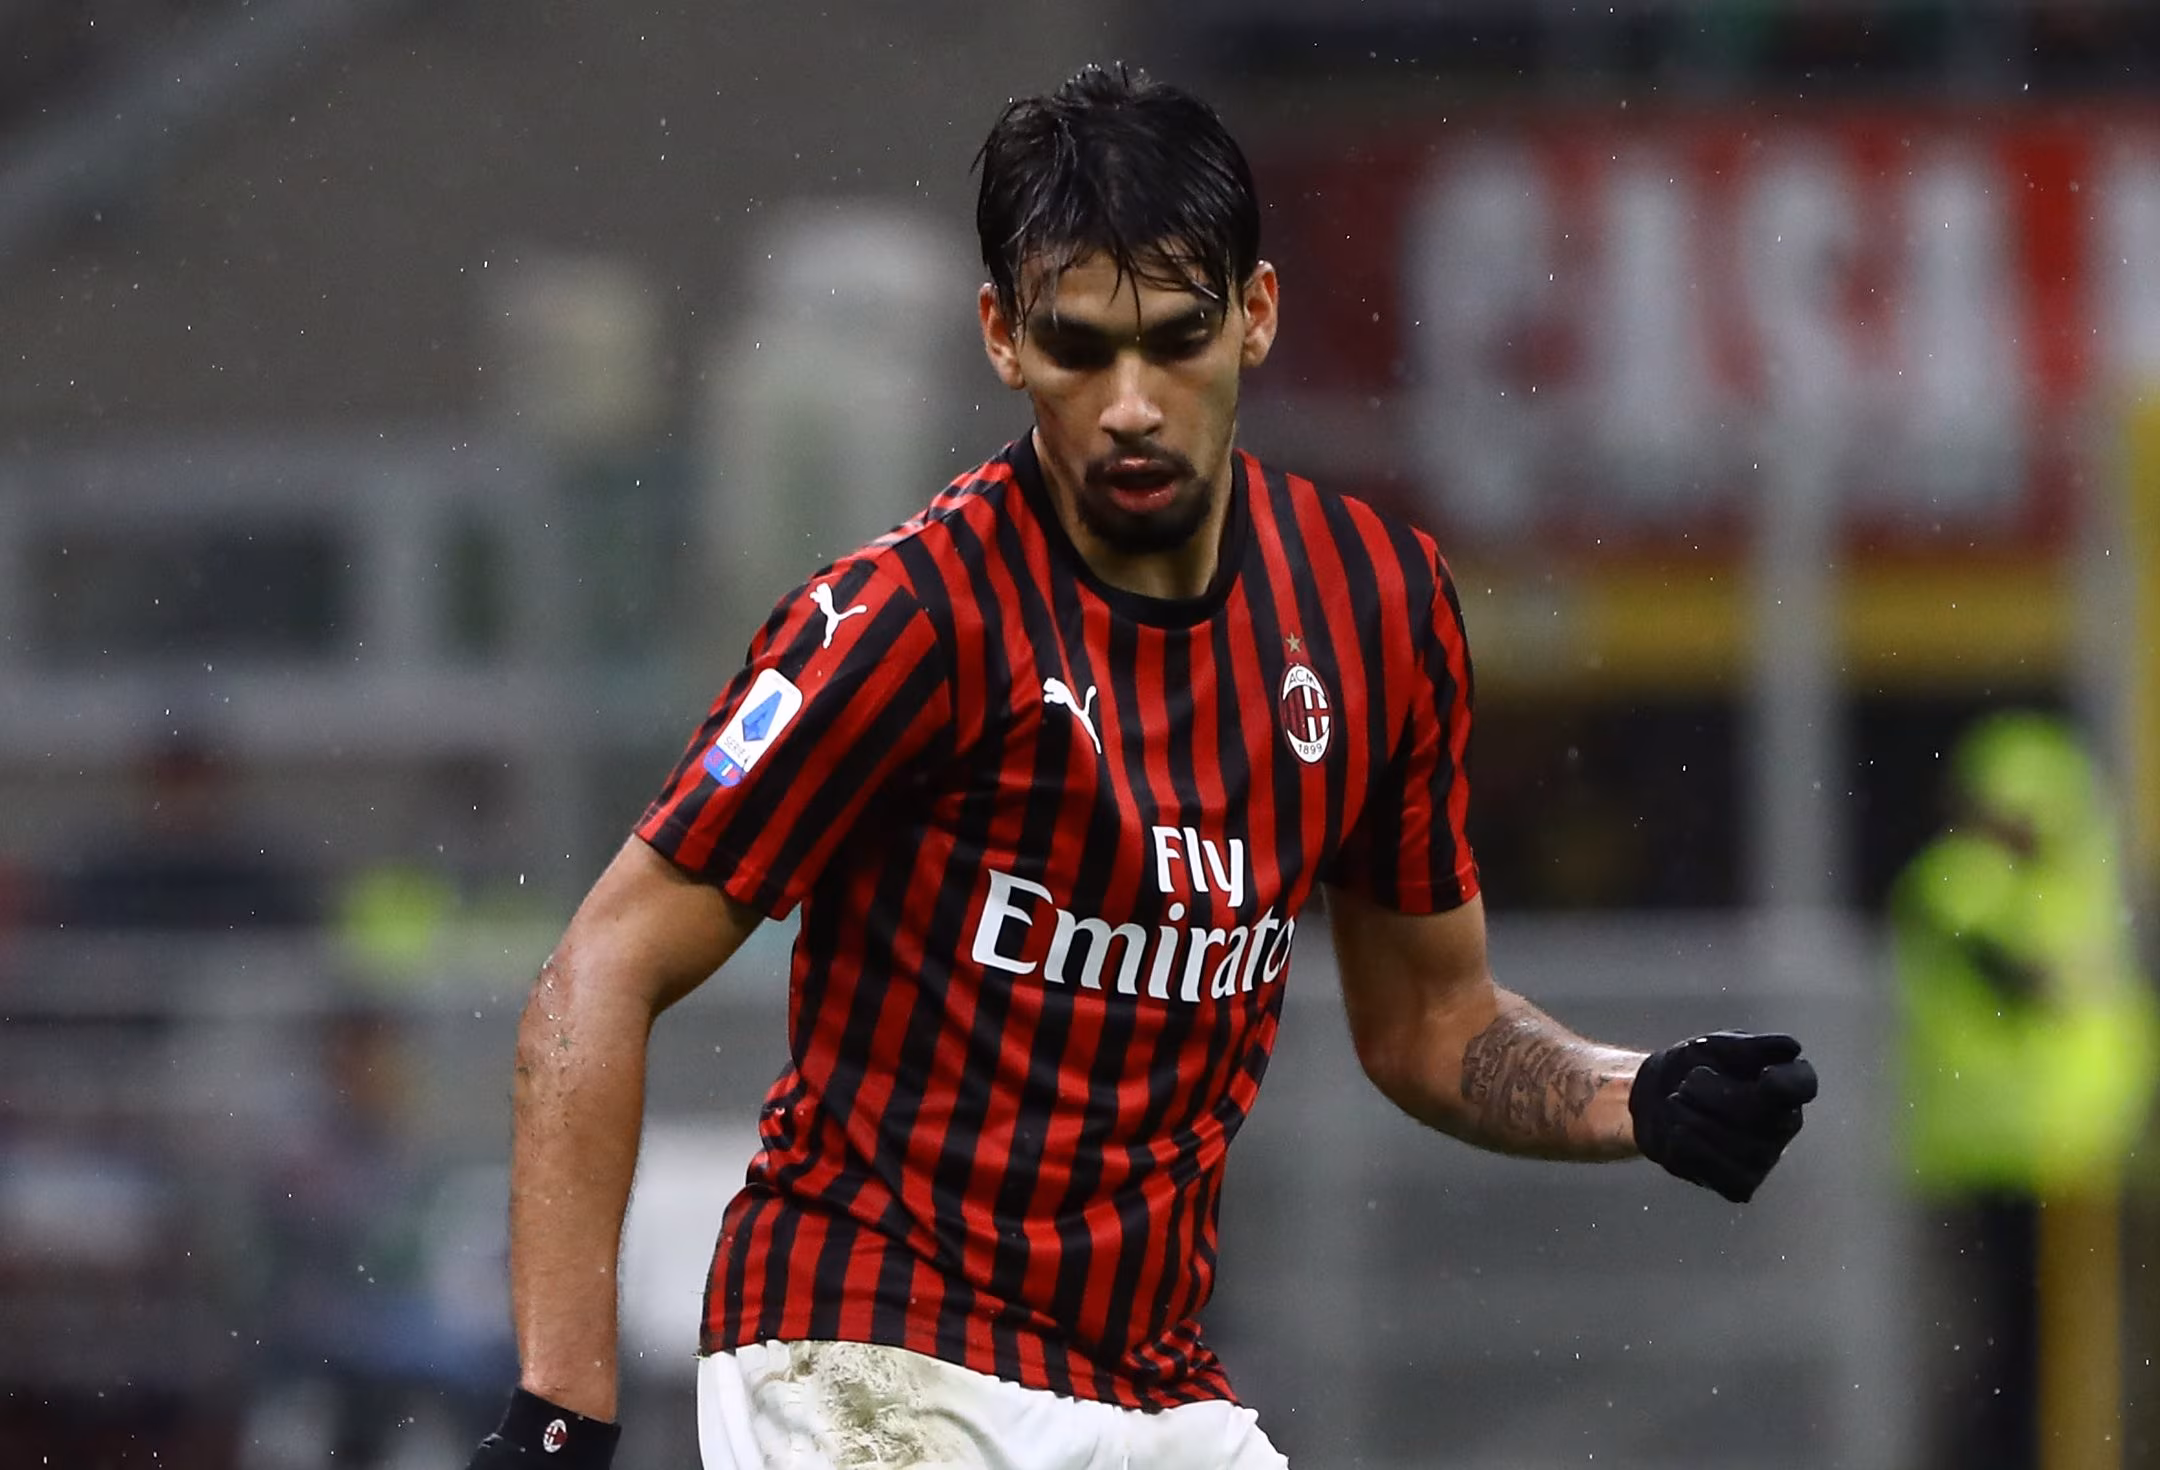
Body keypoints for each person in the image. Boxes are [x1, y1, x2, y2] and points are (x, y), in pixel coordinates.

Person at [466, 65, 1819, 1470]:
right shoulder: (908, 621)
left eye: (1177, 341)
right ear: (1003, 337)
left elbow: (1432, 1020)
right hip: (865, 1352)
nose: (1130, 404)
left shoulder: (1376, 606)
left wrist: (1634, 1093)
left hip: (1148, 1385)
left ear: (1257, 314)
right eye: (1079, 348)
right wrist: (558, 1414)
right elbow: (599, 969)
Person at [1889, 710, 2156, 1470]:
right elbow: (2021, 980)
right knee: (2011, 1357)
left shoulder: (2073, 895)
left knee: (2076, 1355)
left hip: (2082, 1161)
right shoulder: (1958, 883)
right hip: (1999, 1165)